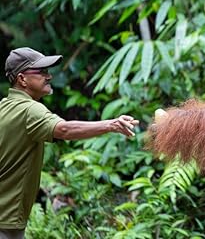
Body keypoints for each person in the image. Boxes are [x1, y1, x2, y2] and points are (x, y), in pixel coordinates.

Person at [0, 47, 139, 239]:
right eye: (41, 72)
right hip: (6, 218)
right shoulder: (29, 110)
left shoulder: (4, 107)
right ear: (22, 79)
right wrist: (111, 124)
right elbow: (64, 130)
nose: (48, 76)